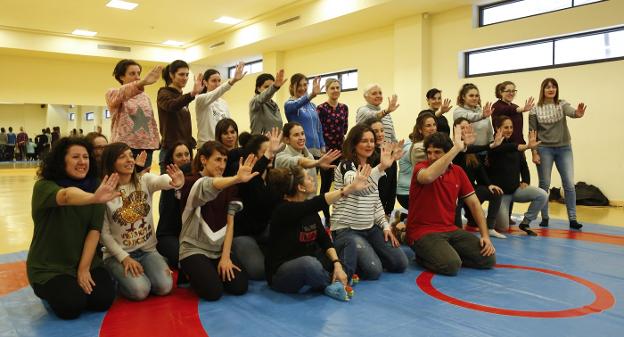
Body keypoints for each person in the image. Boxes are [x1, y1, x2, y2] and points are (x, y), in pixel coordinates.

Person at [27, 137, 118, 319]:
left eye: (86, 157)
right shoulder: (44, 187)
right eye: (75, 157)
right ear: (62, 160)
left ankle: (75, 281)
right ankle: (52, 291)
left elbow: (94, 230)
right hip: (50, 267)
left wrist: (83, 268)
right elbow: (67, 196)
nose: (82, 162)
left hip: (85, 261)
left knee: (103, 300)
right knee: (71, 306)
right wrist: (92, 198)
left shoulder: (95, 187)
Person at [265, 164, 372, 301]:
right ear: (300, 187)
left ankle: (339, 277)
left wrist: (337, 263)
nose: (313, 179)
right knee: (309, 264)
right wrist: (348, 189)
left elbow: (324, 240)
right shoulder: (283, 210)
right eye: (308, 178)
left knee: (347, 241)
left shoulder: (309, 209)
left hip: (311, 260)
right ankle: (335, 280)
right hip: (282, 274)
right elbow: (317, 202)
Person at [99, 143, 183, 301]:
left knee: (165, 286)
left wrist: (174, 181)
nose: (130, 160)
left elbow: (161, 181)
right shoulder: (104, 192)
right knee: (141, 291)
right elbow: (104, 234)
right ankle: (114, 274)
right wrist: (124, 258)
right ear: (111, 162)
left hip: (147, 251)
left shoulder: (143, 180)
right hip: (118, 255)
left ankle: (152, 267)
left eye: (131, 155)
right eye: (122, 157)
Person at [406, 129, 496, 276]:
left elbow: (474, 204)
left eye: (437, 152)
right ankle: (423, 256)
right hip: (422, 232)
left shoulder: (458, 172)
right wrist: (456, 148)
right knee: (451, 265)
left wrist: (485, 236)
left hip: (449, 229)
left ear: (446, 153)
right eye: (429, 152)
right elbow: (428, 177)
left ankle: (443, 253)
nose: (432, 156)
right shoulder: (420, 168)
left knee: (488, 259)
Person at [178, 142, 257, 301]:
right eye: (217, 160)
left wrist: (226, 257)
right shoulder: (191, 182)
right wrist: (236, 178)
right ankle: (189, 270)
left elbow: (230, 223)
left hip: (218, 250)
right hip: (194, 249)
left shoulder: (229, 187)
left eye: (225, 160)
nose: (222, 165)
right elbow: (210, 184)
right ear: (203, 159)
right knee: (213, 292)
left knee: (239, 287)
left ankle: (207, 271)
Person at [331, 124, 408, 280]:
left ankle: (366, 250)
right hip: (347, 230)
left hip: (370, 228)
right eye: (364, 141)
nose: (369, 144)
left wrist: (385, 226)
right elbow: (356, 185)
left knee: (400, 263)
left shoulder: (370, 168)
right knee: (374, 271)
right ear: (354, 143)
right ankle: (346, 252)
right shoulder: (346, 165)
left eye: (372, 141)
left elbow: (375, 201)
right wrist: (381, 167)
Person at [529, 78, 586, 230]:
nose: (551, 89)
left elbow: (572, 112)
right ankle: (545, 217)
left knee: (568, 183)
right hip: (544, 149)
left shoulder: (562, 104)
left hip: (564, 148)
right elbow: (532, 133)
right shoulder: (535, 109)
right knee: (544, 184)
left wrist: (578, 113)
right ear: (543, 90)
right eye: (547, 87)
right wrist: (534, 152)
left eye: (553, 86)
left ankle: (573, 219)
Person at [232, 129, 283, 280]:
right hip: (243, 234)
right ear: (254, 156)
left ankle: (262, 249)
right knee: (259, 272)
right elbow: (254, 174)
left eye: (273, 151)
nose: (272, 155)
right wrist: (268, 155)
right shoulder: (245, 177)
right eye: (267, 152)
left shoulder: (273, 177)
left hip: (264, 230)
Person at [488, 116, 548, 235]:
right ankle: (490, 218)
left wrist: (526, 180)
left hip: (515, 190)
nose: (509, 130)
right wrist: (526, 146)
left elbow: (523, 166)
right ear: (497, 128)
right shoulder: (493, 146)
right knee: (503, 228)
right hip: (501, 195)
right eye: (506, 127)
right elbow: (506, 148)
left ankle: (525, 223)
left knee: (542, 195)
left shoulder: (515, 146)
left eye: (511, 127)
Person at [452, 118, 505, 238]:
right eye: (462, 128)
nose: (466, 130)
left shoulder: (472, 150)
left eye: (467, 127)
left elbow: (480, 170)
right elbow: (463, 151)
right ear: (456, 131)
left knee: (496, 192)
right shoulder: (453, 147)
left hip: (470, 191)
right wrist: (490, 145)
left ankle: (490, 227)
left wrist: (489, 184)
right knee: (458, 231)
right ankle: (463, 225)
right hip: (456, 193)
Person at [106, 59, 161, 168]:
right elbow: (122, 94)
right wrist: (142, 83)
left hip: (146, 147)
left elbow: (151, 122)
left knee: (142, 180)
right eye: (132, 73)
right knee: (125, 180)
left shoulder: (145, 97)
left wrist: (156, 141)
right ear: (121, 76)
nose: (137, 77)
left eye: (139, 73)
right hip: (124, 147)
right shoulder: (113, 93)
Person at [157, 59, 204, 173]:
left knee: (186, 186)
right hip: (170, 151)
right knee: (169, 188)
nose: (185, 78)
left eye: (187, 74)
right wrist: (192, 94)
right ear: (172, 75)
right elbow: (172, 106)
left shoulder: (181, 96)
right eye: (181, 74)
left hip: (185, 150)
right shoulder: (163, 93)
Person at [274, 122, 341, 196]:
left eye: (302, 134)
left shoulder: (310, 156)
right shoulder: (280, 158)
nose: (301, 138)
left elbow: (314, 187)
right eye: (296, 135)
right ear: (287, 140)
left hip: (310, 204)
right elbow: (298, 161)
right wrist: (317, 162)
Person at [156, 142, 192, 270]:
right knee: (185, 260)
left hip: (189, 235)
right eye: (179, 155)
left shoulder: (196, 177)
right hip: (169, 234)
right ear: (172, 159)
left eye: (187, 154)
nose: (184, 158)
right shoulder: (167, 179)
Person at [317, 78, 349, 223]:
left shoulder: (344, 108)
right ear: (327, 90)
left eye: (338, 87)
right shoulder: (321, 108)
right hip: (327, 152)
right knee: (325, 184)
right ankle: (327, 216)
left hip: (341, 150)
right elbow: (319, 130)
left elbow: (345, 129)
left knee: (341, 183)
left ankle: (341, 212)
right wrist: (323, 150)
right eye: (332, 88)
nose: (336, 90)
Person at [196, 62, 246, 146]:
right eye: (214, 81)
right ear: (205, 82)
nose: (217, 84)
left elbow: (229, 125)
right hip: (207, 146)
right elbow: (217, 92)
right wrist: (233, 80)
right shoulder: (200, 99)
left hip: (222, 146)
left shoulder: (223, 103)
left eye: (219, 81)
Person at [361, 117, 397, 217]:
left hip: (384, 208)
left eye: (382, 130)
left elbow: (392, 183)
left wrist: (389, 210)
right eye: (376, 131)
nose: (380, 134)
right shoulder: (366, 156)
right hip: (368, 209)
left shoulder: (388, 152)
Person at [284, 74, 325, 158]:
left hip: (316, 150)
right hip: (300, 149)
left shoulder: (312, 105)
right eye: (299, 85)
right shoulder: (289, 104)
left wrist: (323, 147)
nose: (302, 88)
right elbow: (297, 104)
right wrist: (311, 95)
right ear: (292, 87)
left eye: (305, 85)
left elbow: (318, 128)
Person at [453, 83, 494, 148]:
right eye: (471, 96)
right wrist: (482, 116)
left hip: (485, 149)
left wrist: (492, 143)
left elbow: (489, 131)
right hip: (468, 151)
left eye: (477, 96)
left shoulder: (481, 111)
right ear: (463, 97)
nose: (474, 98)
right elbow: (469, 117)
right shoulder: (458, 111)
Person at [249, 70, 286, 134]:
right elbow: (263, 97)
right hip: (261, 142)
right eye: (266, 87)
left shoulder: (274, 105)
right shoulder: (255, 102)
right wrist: (274, 87)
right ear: (258, 88)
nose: (270, 89)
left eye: (271, 86)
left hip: (277, 143)